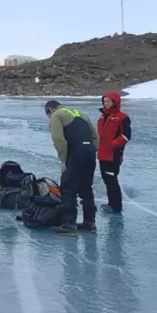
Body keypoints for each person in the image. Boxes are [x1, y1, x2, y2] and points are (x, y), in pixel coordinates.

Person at [45, 100, 100, 235]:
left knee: (68, 186)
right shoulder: (80, 114)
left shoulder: (57, 115)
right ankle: (90, 222)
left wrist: (63, 159)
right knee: (86, 187)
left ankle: (69, 224)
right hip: (89, 153)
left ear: (50, 110)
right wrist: (91, 150)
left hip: (75, 153)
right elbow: (96, 137)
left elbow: (58, 138)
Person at [97, 92, 131, 213]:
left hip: (113, 155)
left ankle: (116, 206)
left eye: (108, 101)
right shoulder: (102, 117)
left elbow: (126, 136)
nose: (106, 104)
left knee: (111, 179)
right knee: (106, 179)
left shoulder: (122, 117)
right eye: (104, 101)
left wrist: (112, 144)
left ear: (115, 102)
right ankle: (111, 203)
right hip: (102, 154)